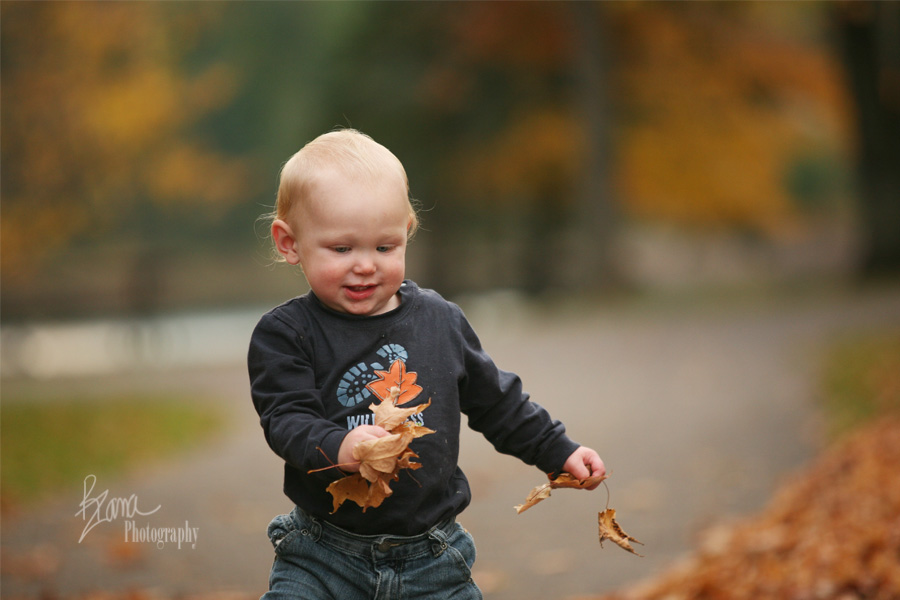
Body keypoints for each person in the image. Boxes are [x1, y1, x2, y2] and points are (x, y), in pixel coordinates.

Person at [248, 128, 605, 599]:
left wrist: (556, 449)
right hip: (322, 554)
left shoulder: (439, 322)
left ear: (406, 234)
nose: (365, 265)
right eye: (341, 249)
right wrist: (339, 445)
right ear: (289, 243)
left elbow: (496, 402)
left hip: (432, 558)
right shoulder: (287, 334)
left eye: (384, 247)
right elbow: (286, 419)